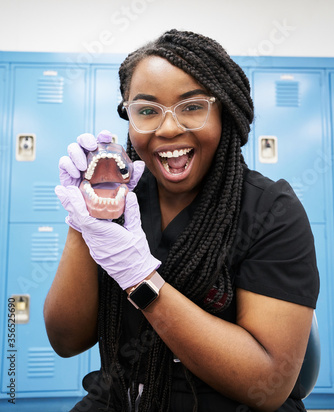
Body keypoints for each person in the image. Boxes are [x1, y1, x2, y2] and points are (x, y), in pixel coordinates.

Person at [44, 29, 319, 412]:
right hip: (122, 398)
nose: (168, 128)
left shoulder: (270, 211)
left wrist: (142, 280)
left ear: (225, 110)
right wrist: (84, 219)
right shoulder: (121, 198)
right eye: (147, 110)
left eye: (192, 107)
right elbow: (65, 340)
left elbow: (268, 383)